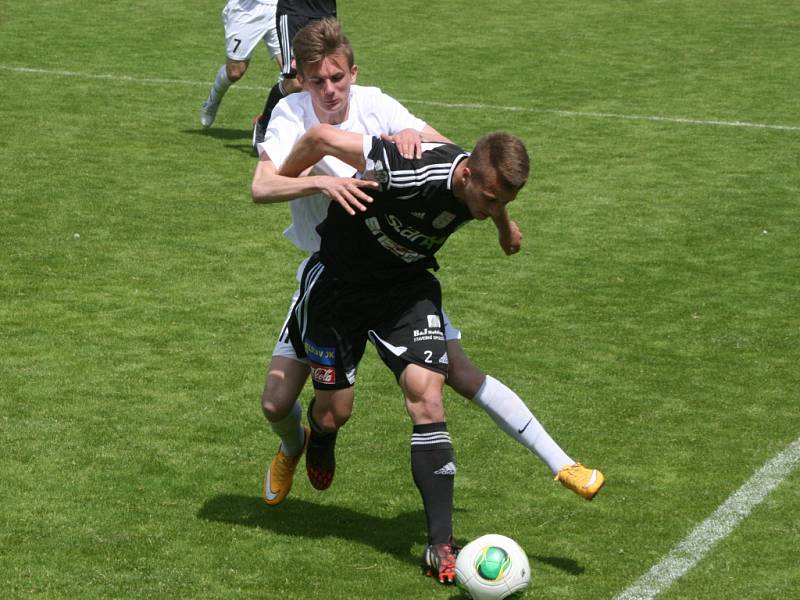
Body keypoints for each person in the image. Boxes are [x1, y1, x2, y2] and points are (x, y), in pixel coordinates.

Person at [249, 17, 603, 546]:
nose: (330, 90)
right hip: (331, 276)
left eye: (338, 78)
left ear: (353, 72)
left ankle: (561, 463)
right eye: (318, 81)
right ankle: (300, 444)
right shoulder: (289, 115)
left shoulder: (378, 106)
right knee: (281, 405)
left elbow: (462, 162)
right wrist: (320, 180)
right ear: (299, 76)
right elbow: (263, 185)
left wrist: (500, 217)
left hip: (397, 279)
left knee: (450, 378)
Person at [275, 123, 532, 584]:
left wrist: (504, 226)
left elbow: (494, 199)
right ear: (466, 175)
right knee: (335, 413)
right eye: (491, 200)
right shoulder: (410, 168)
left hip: (404, 291)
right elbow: (319, 137)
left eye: (504, 202)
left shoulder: (482, 189)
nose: (492, 208)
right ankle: (320, 434)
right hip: (340, 288)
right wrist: (292, 180)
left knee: (427, 395)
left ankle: (440, 545)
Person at [250, 0, 337, 149]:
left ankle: (325, 134)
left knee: (328, 74)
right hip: (294, 12)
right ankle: (264, 123)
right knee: (294, 82)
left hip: (325, 12)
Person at [200, 0, 283, 129]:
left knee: (292, 72)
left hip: (282, 8)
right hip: (247, 10)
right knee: (235, 72)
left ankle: (270, 118)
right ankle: (212, 101)